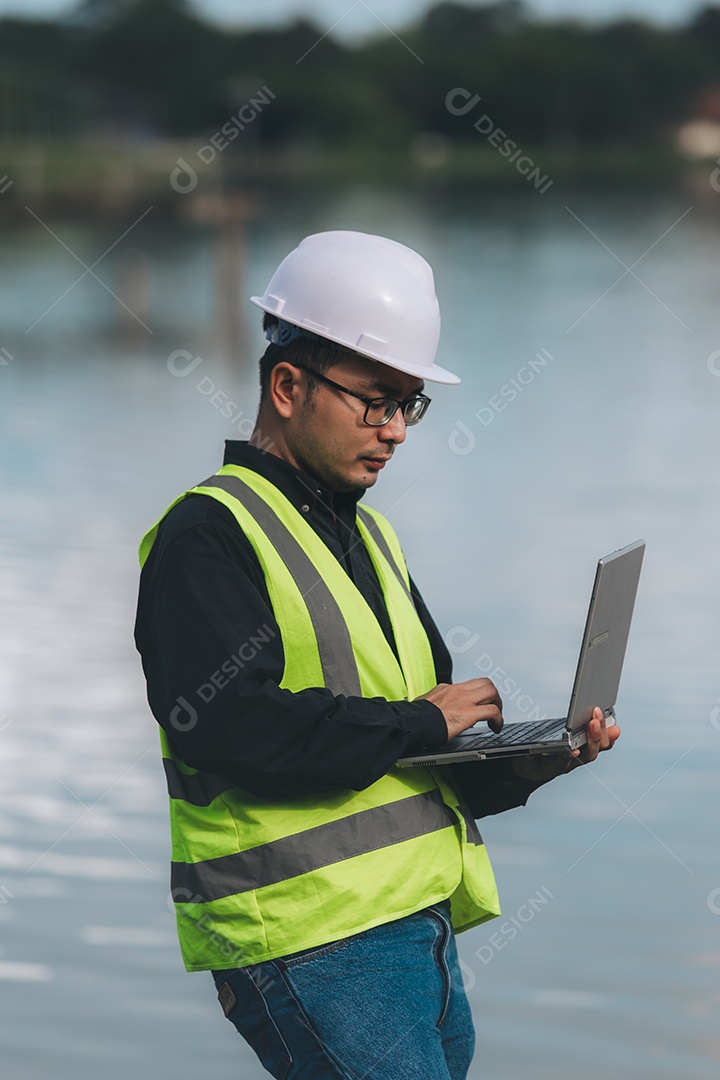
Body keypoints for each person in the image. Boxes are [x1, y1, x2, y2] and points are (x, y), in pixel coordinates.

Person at [134, 230, 619, 1080]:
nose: (395, 431)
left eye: (410, 406)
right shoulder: (206, 534)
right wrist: (417, 720)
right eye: (376, 401)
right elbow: (228, 724)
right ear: (287, 385)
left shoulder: (373, 539)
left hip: (413, 930)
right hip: (309, 938)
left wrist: (541, 757)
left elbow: (419, 749)